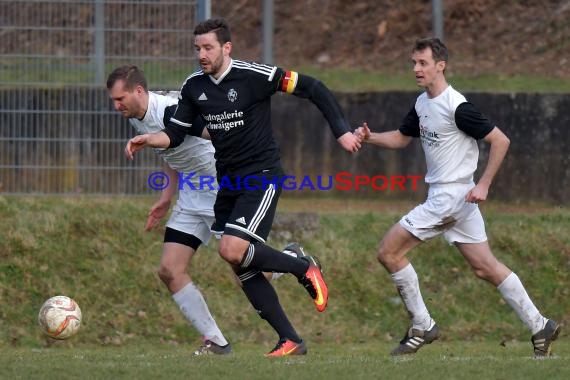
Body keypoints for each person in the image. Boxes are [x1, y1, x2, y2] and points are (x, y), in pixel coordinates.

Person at [124, 18, 361, 356]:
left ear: (226, 48)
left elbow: (315, 88)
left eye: (208, 48)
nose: (202, 55)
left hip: (261, 176)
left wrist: (342, 131)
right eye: (197, 49)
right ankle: (290, 339)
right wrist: (150, 139)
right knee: (242, 265)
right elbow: (176, 134)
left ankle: (300, 264)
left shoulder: (256, 76)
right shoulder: (194, 87)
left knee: (232, 250)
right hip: (228, 181)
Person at [356, 37, 560, 357]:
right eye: (413, 63)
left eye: (422, 63)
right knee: (485, 267)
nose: (416, 69)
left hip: (452, 196)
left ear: (441, 66)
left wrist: (485, 185)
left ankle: (422, 325)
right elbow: (400, 138)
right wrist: (369, 138)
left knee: (389, 251)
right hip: (452, 198)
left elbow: (501, 140)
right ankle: (540, 325)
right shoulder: (422, 104)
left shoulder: (458, 107)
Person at [107, 65, 232, 356]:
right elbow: (172, 149)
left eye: (120, 98)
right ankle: (215, 341)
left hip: (219, 189)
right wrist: (165, 198)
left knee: (249, 271)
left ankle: (291, 259)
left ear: (139, 91)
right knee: (169, 270)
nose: (116, 106)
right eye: (113, 100)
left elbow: (219, 134)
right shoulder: (137, 115)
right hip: (191, 194)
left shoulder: (169, 109)